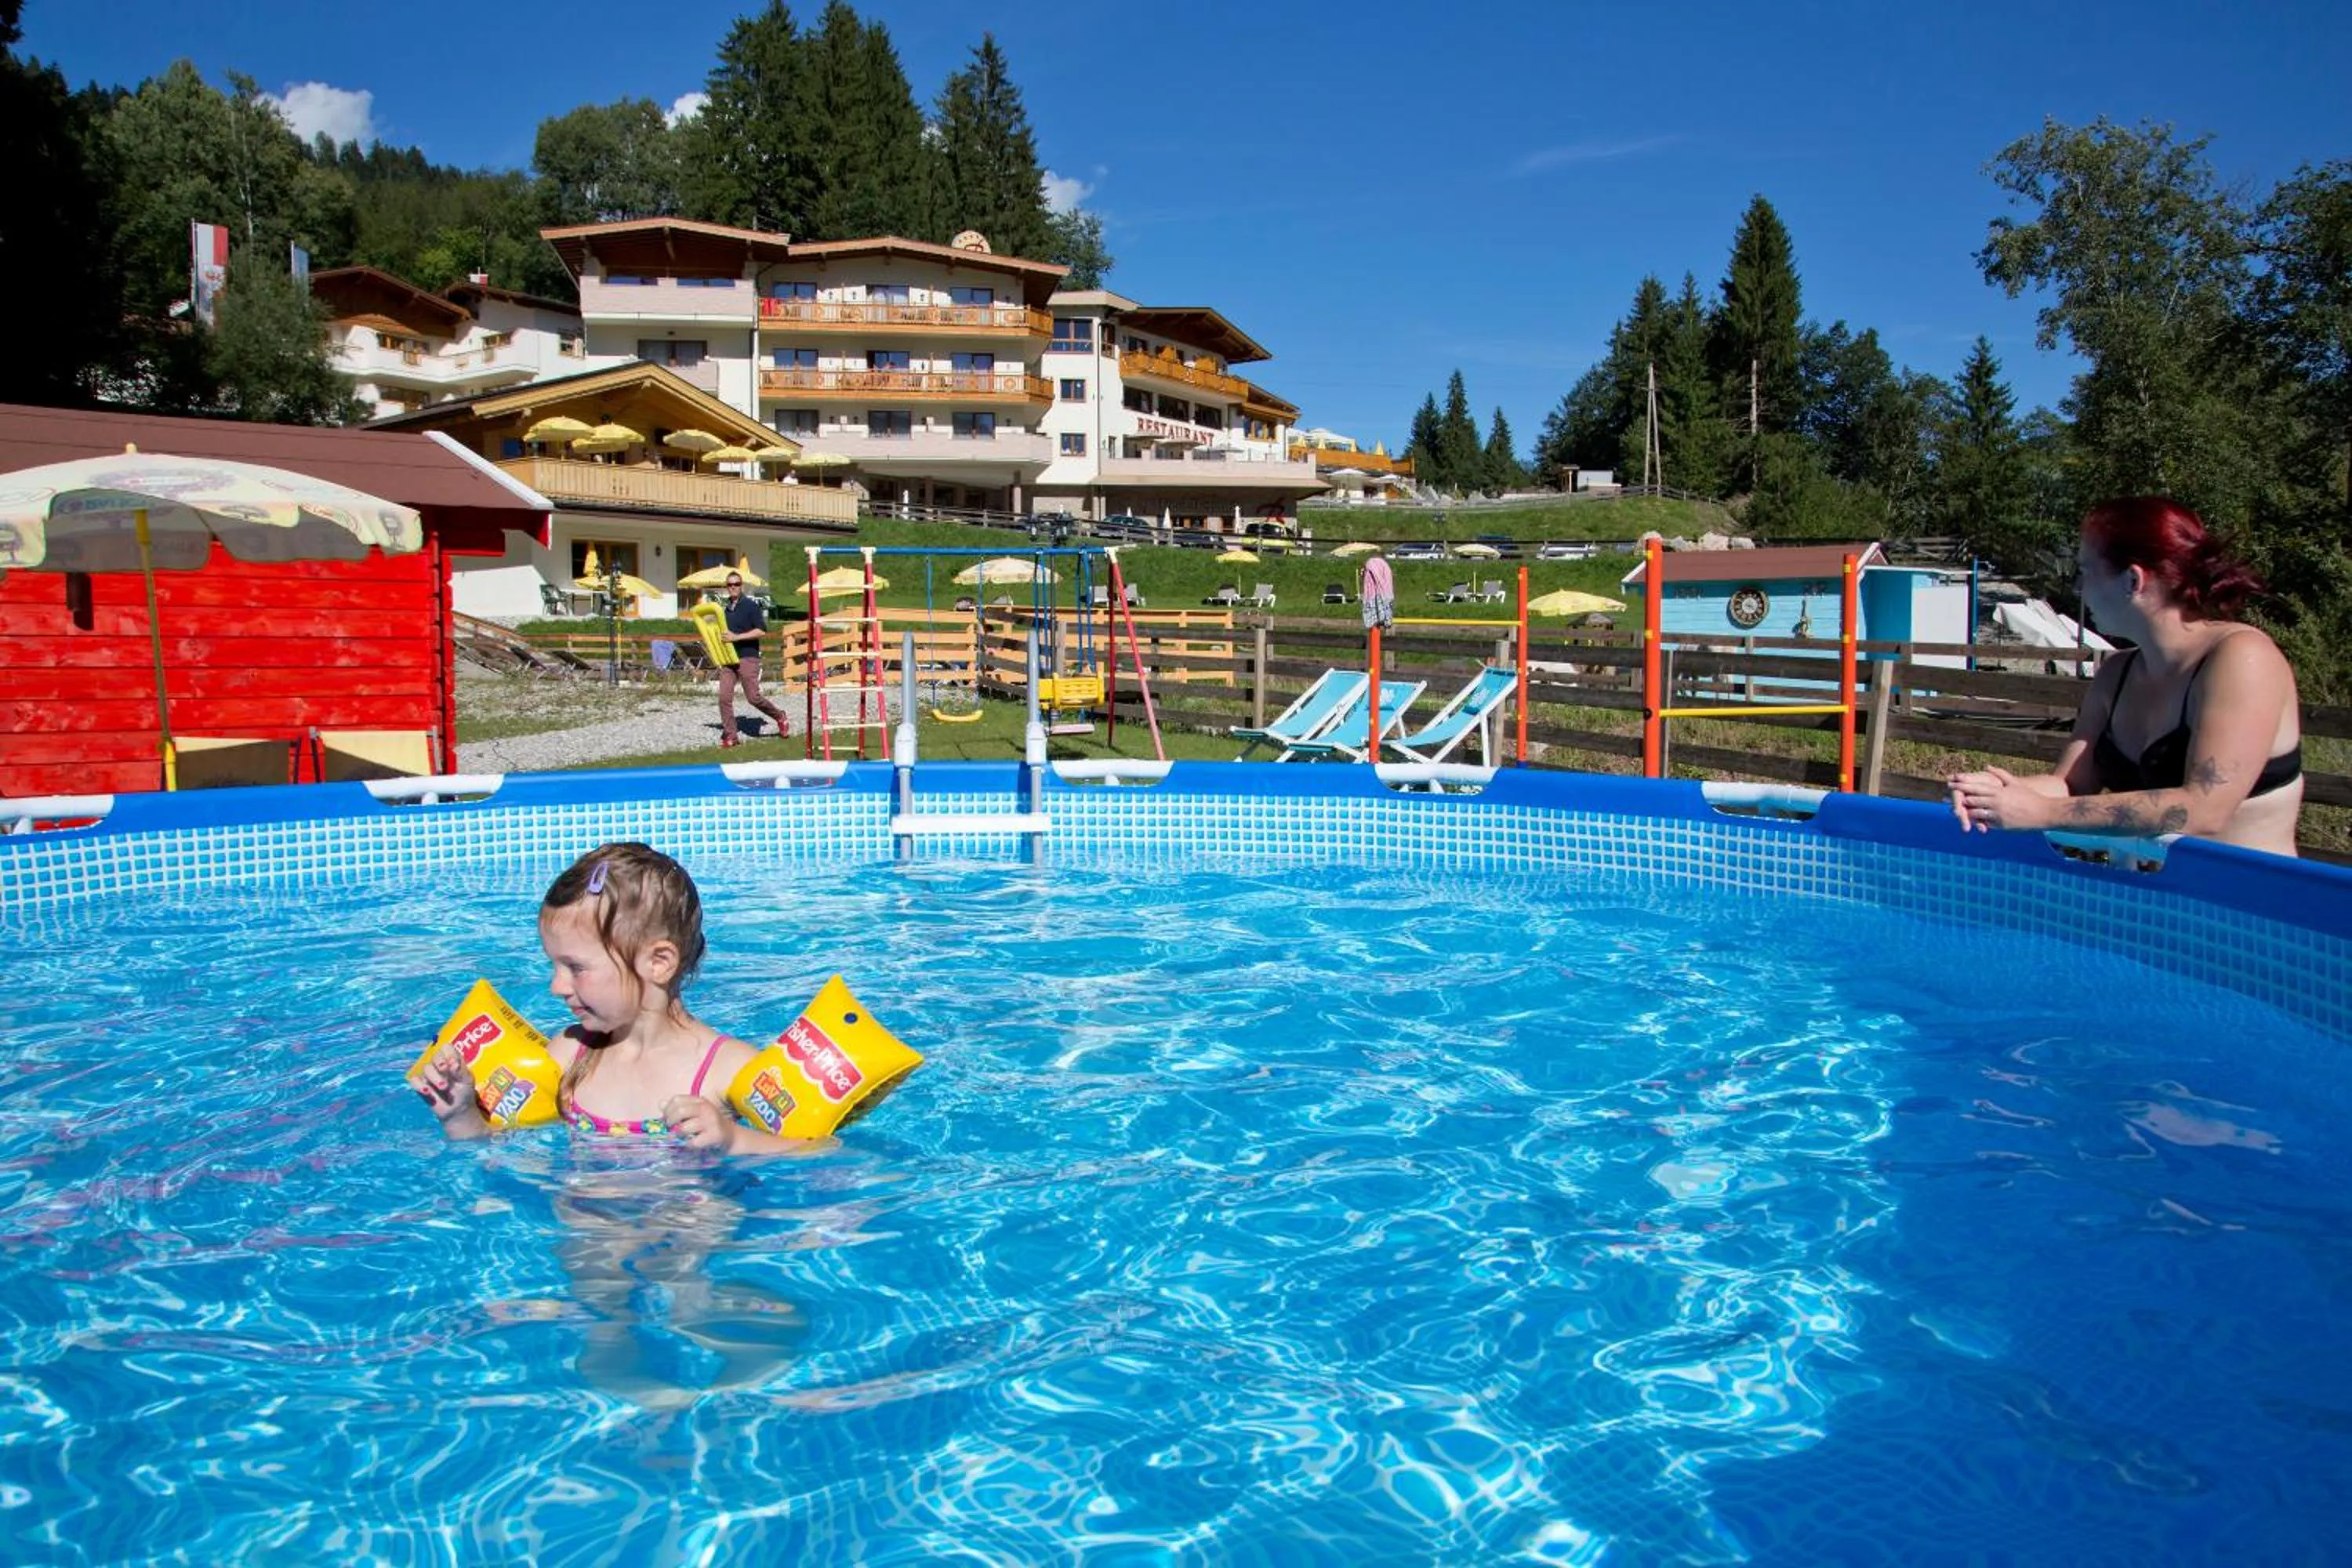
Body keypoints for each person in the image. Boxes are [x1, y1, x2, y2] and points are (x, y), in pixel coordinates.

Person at [1949, 497, 2303, 856]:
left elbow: (2204, 809)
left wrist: (2041, 812)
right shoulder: (2115, 675)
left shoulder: (2241, 658)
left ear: (2132, 580)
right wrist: (1994, 793)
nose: (2079, 589)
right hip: (2146, 904)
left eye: (2086, 572)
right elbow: (2071, 785)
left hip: (2246, 904)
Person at [414, 842, 801, 1152]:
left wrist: (735, 1139)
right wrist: (460, 1115)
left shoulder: (727, 1068)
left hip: (687, 1235)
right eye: (554, 967)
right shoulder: (568, 1056)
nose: (557, 986)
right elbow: (497, 1151)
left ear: (659, 962)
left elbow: (816, 1150)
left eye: (576, 968)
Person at [713, 572, 790, 749]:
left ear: (742, 586)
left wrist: (737, 637)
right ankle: (731, 736)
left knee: (753, 698)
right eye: (730, 585)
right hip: (728, 659)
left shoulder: (750, 606)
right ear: (727, 587)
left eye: (736, 584)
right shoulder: (725, 610)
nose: (733, 587)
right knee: (724, 697)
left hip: (748, 657)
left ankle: (780, 716)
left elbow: (761, 631)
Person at [1358, 548, 1396, 633]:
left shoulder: (1372, 564)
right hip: (1384, 595)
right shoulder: (1384, 566)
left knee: (1375, 619)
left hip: (1377, 596)